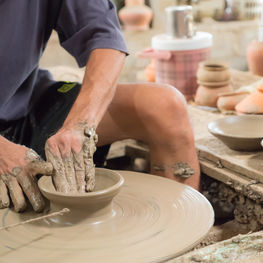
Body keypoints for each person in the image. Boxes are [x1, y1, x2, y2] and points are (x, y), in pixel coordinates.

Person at [0, 0, 200, 213]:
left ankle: (178, 231)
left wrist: (80, 124)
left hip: (23, 102)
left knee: (164, 106)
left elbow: (105, 38)